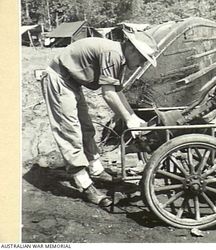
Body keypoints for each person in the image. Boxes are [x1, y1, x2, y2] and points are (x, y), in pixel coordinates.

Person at [40, 28, 158, 208]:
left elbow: (117, 91)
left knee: (86, 127)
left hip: (72, 82)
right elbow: (108, 94)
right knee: (70, 132)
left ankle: (96, 171)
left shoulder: (119, 56)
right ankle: (85, 185)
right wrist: (127, 119)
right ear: (132, 49)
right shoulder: (113, 53)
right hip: (58, 79)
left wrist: (133, 116)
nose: (142, 64)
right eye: (142, 58)